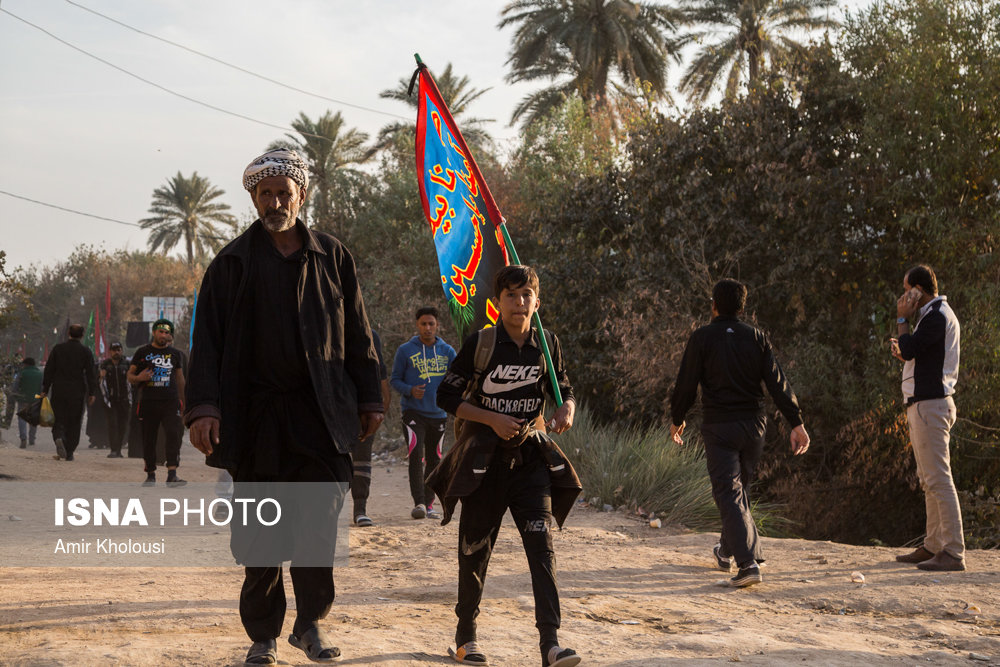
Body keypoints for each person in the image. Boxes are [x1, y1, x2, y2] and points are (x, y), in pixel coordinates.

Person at [184, 149, 385, 666]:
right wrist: (204, 407)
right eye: (265, 193)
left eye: (284, 192)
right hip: (255, 419)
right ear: (254, 199)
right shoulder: (231, 264)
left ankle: (310, 623)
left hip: (321, 415)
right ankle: (263, 636)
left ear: (302, 195)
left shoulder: (332, 257)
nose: (275, 202)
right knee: (260, 532)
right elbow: (206, 342)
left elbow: (359, 332)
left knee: (319, 521)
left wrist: (369, 397)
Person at [430, 265, 582, 667]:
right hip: (483, 466)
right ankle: (466, 637)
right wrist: (491, 419)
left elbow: (563, 386)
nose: (519, 302)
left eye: (526, 294)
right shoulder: (480, 344)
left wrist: (567, 408)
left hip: (531, 464)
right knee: (474, 552)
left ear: (537, 302)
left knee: (542, 552)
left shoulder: (547, 343)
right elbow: (446, 396)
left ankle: (551, 644)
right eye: (511, 295)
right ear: (497, 303)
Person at [670, 279, 810, 588]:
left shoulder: (702, 337)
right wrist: (796, 422)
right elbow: (778, 382)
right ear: (743, 308)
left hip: (720, 426)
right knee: (737, 492)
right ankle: (725, 551)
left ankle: (748, 564)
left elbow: (686, 383)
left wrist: (677, 418)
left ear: (713, 306)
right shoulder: (756, 337)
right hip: (753, 427)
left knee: (729, 492)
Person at [889, 265, 965, 571]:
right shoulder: (933, 315)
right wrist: (905, 349)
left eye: (907, 290)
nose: (904, 297)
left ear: (919, 290)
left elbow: (909, 349)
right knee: (929, 479)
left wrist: (902, 320)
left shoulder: (936, 316)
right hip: (925, 405)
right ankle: (934, 545)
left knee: (939, 479)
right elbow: (914, 353)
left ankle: (954, 551)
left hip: (931, 405)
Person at [390, 307, 456, 520]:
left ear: (437, 325)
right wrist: (410, 390)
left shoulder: (448, 352)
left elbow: (457, 379)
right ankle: (418, 503)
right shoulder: (405, 350)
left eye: (431, 324)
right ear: (417, 325)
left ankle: (429, 505)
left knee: (435, 460)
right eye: (423, 324)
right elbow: (394, 380)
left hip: (439, 414)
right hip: (413, 413)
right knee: (416, 455)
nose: (427, 328)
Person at [127, 319, 187, 486]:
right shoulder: (142, 352)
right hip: (149, 401)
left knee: (173, 435)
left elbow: (180, 379)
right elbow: (130, 376)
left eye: (167, 333)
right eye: (161, 331)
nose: (163, 335)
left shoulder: (175, 354)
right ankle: (150, 474)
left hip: (170, 401)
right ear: (154, 332)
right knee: (149, 438)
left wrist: (184, 402)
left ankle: (172, 474)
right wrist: (139, 378)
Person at [350, 329, 391, 527]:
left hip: (362, 407)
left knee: (361, 458)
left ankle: (360, 509)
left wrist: (381, 406)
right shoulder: (320, 328)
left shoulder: (369, 335)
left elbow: (378, 371)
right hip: (331, 406)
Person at [41, 324, 98, 461]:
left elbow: (49, 370)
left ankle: (59, 436)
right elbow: (91, 373)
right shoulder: (85, 351)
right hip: (77, 391)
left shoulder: (58, 349)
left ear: (68, 333)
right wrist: (92, 392)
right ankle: (70, 450)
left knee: (58, 417)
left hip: (59, 390)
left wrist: (45, 389)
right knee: (74, 421)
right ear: (82, 335)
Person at [100, 342, 131, 458]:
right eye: (114, 350)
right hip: (111, 400)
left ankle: (118, 449)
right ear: (110, 352)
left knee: (123, 425)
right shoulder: (105, 364)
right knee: (112, 424)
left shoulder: (127, 364)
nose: (116, 352)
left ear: (121, 350)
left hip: (124, 399)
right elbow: (101, 382)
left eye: (118, 350)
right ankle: (113, 449)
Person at [12, 357, 42, 448]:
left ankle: (23, 438)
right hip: (35, 399)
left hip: (23, 399)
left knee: (22, 418)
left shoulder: (22, 373)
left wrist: (15, 396)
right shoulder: (40, 374)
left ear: (26, 364)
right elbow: (42, 388)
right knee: (33, 419)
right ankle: (32, 439)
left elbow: (15, 386)